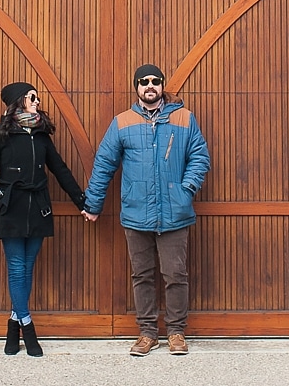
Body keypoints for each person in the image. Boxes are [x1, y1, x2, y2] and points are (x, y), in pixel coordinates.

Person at [82, 64, 210, 357]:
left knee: (175, 274)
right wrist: (93, 203)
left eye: (155, 81)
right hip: (136, 213)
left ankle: (176, 331)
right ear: (137, 87)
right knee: (142, 275)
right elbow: (104, 165)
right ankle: (147, 333)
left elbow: (200, 157)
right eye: (144, 82)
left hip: (174, 213)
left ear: (162, 86)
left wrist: (185, 188)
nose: (149, 86)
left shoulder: (184, 118)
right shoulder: (122, 122)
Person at [0, 81, 87, 357]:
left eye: (36, 98)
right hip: (12, 210)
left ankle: (13, 324)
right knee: (16, 268)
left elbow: (60, 170)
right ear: (19, 101)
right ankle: (27, 326)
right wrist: (0, 199)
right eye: (32, 98)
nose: (37, 102)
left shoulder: (40, 135)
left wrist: (82, 202)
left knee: (28, 267)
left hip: (39, 207)